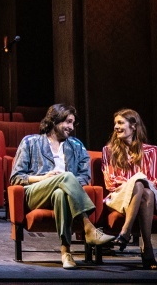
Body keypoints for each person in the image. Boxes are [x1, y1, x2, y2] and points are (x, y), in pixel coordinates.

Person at [9, 103, 115, 269]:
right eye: (67, 122)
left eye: (73, 123)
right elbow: (16, 178)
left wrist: (64, 183)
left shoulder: (77, 146)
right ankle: (88, 227)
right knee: (66, 176)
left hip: (64, 196)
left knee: (60, 193)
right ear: (54, 121)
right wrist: (43, 178)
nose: (71, 127)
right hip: (36, 194)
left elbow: (85, 177)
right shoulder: (30, 142)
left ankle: (66, 253)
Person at [101, 108, 157, 269]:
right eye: (115, 123)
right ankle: (147, 247)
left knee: (144, 189)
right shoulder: (109, 151)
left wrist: (135, 182)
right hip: (119, 197)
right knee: (140, 183)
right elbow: (110, 182)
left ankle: (126, 233)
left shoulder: (152, 151)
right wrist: (134, 182)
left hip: (148, 196)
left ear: (133, 126)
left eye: (120, 123)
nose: (116, 127)